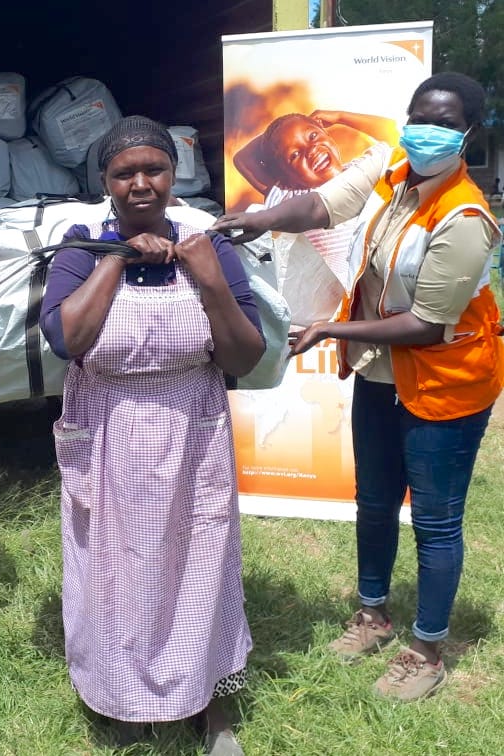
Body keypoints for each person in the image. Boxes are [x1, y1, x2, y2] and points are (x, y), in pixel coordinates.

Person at [213, 72, 503, 701]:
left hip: (445, 385)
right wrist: (256, 219)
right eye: (420, 116)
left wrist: (331, 328)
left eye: (446, 123)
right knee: (373, 501)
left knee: (436, 518)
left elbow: (426, 325)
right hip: (381, 373)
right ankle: (373, 614)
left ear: (468, 134)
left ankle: (426, 647)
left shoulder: (466, 216)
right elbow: (322, 205)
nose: (428, 131)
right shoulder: (395, 168)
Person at [40, 116, 265, 755]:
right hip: (108, 439)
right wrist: (117, 259)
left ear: (175, 175)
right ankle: (119, 700)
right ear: (105, 183)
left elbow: (244, 357)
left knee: (202, 564)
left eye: (155, 170)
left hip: (193, 435)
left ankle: (212, 701)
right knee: (112, 569)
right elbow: (68, 339)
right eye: (124, 173)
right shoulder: (81, 248)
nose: (141, 184)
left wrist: (209, 277)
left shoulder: (210, 248)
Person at [234, 110, 398, 284]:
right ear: (286, 175)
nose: (310, 150)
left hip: (388, 280)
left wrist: (340, 117)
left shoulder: (364, 169)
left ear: (325, 132)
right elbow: (242, 159)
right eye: (294, 155)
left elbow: (393, 133)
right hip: (346, 297)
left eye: (312, 136)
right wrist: (277, 134)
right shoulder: (292, 198)